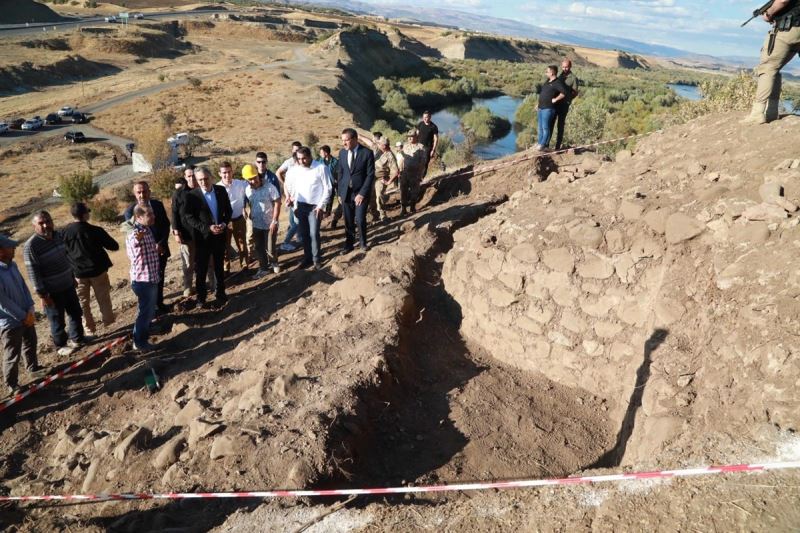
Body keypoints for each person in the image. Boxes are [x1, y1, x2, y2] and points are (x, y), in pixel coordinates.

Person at [24, 211, 87, 357]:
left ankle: (78, 339)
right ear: (34, 226)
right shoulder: (31, 246)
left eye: (48, 221)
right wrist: (43, 295)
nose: (46, 225)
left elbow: (66, 257)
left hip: (68, 284)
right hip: (51, 291)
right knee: (57, 320)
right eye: (41, 223)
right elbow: (34, 273)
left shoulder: (58, 236)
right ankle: (61, 346)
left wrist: (72, 277)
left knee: (76, 312)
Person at [61, 202, 118, 336]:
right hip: (98, 271)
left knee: (82, 303)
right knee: (103, 298)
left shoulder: (63, 233)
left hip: (77, 273)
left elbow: (61, 253)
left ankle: (89, 329)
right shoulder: (95, 230)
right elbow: (114, 246)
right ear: (85, 214)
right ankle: (109, 324)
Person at [0, 234, 45, 395]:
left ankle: (33, 369)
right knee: (12, 354)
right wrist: (22, 316)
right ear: (0, 251)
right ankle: (12, 385)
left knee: (30, 343)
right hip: (11, 322)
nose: (14, 248)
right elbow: (3, 303)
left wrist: (31, 308)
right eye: (10, 247)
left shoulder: (13, 266)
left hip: (26, 315)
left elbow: (24, 288)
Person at [743, 0, 800, 124]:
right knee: (775, 68)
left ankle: (758, 113)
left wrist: (769, 13)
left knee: (768, 68)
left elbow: (783, 0)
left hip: (790, 29)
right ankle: (771, 112)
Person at [183, 166, 232, 308]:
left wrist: (223, 223)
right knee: (201, 269)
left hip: (219, 235)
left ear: (211, 177)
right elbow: (189, 217)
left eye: (205, 179)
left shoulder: (221, 191)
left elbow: (228, 210)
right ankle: (201, 298)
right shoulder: (192, 196)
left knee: (218, 266)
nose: (203, 182)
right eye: (200, 180)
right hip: (203, 238)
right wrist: (207, 228)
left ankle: (221, 293)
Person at [124, 181, 171, 314]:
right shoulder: (130, 212)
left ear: (149, 192)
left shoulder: (158, 205)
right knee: (147, 285)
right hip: (144, 257)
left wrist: (161, 243)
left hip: (160, 250)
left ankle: (159, 304)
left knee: (160, 278)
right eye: (139, 192)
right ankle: (150, 310)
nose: (142, 195)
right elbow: (132, 235)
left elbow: (165, 226)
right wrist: (151, 246)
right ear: (134, 194)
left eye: (144, 191)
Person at [285, 147, 332, 269]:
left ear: (310, 156)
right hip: (301, 206)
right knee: (304, 234)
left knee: (313, 233)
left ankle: (316, 259)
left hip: (314, 207)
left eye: (304, 158)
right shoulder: (297, 170)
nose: (302, 161)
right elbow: (296, 189)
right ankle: (307, 258)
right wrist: (295, 206)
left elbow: (328, 188)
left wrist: (321, 206)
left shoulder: (321, 168)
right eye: (299, 159)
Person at [126, 205, 160, 351]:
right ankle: (139, 343)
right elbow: (134, 241)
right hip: (143, 281)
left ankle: (141, 338)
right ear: (139, 217)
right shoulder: (137, 233)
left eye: (152, 213)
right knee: (145, 313)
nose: (153, 216)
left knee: (147, 311)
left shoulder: (147, 230)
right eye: (149, 214)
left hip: (150, 278)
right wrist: (138, 237)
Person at [337, 128, 375, 252]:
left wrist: (362, 194)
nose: (344, 143)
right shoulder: (342, 153)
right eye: (342, 140)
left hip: (360, 193)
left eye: (346, 140)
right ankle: (349, 244)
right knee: (348, 220)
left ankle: (363, 243)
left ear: (354, 139)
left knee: (359, 219)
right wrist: (340, 193)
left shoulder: (366, 153)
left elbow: (370, 175)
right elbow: (341, 174)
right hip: (346, 193)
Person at [243, 164, 282, 279]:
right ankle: (264, 268)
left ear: (258, 175)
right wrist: (246, 211)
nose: (252, 181)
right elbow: (249, 203)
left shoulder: (270, 187)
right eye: (249, 179)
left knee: (270, 247)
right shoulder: (247, 189)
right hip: (256, 223)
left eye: (254, 177)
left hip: (270, 223)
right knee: (259, 247)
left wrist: (275, 220)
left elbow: (278, 202)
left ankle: (274, 262)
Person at [217, 161, 249, 273]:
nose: (227, 175)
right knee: (225, 246)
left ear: (232, 172)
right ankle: (226, 268)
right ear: (219, 174)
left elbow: (251, 184)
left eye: (229, 172)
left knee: (242, 243)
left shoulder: (239, 184)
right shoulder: (217, 188)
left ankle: (244, 265)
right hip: (224, 222)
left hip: (239, 218)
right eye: (224, 172)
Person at [276, 141, 303, 252]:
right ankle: (286, 242)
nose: (297, 152)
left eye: (299, 150)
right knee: (297, 222)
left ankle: (299, 238)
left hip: (296, 197)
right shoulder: (291, 166)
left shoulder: (299, 166)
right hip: (294, 198)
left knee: (293, 221)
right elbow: (281, 176)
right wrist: (287, 194)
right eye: (295, 150)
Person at [534, 65, 568, 151]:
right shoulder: (547, 81)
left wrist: (555, 99)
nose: (546, 73)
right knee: (540, 127)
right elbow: (543, 93)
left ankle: (543, 145)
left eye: (547, 71)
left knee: (546, 127)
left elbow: (563, 93)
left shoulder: (557, 82)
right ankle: (539, 143)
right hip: (541, 108)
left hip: (548, 108)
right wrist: (538, 104)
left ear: (552, 72)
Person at [399, 131, 427, 215]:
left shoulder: (421, 147)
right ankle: (403, 209)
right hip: (405, 172)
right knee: (403, 191)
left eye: (411, 136)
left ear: (416, 137)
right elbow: (401, 159)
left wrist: (420, 174)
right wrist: (400, 171)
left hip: (415, 173)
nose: (409, 138)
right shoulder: (404, 146)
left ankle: (412, 207)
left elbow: (422, 163)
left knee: (414, 191)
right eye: (408, 136)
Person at [554, 58, 579, 150]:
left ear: (570, 67)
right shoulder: (559, 75)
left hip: (564, 104)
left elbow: (575, 92)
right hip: (555, 102)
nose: (565, 69)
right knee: (551, 122)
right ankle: (546, 144)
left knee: (560, 124)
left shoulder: (573, 78)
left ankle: (557, 145)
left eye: (567, 67)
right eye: (563, 67)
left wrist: (568, 99)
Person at [373, 137, 400, 221]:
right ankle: (375, 216)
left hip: (381, 179)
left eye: (380, 144)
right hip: (372, 178)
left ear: (384, 145)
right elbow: (370, 142)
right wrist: (359, 136)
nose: (378, 145)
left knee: (379, 195)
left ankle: (383, 215)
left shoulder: (390, 156)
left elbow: (396, 171)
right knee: (371, 197)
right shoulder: (378, 151)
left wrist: (388, 182)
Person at [317, 145, 341, 227]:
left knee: (341, 201)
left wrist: (336, 179)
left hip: (337, 185)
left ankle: (335, 219)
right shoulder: (319, 162)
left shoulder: (335, 162)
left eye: (321, 152)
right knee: (327, 203)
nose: (320, 154)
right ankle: (323, 219)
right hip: (325, 186)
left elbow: (339, 173)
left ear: (326, 153)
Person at [416, 110, 439, 177]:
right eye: (424, 117)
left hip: (427, 148)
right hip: (419, 146)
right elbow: (416, 135)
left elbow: (436, 139)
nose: (425, 119)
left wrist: (433, 150)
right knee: (417, 162)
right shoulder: (420, 124)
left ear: (430, 117)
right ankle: (416, 177)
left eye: (426, 117)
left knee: (425, 164)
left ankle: (421, 178)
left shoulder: (433, 127)